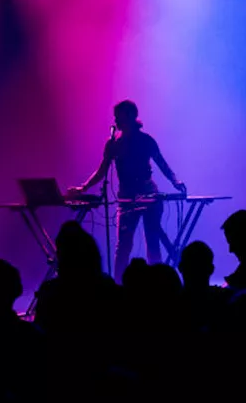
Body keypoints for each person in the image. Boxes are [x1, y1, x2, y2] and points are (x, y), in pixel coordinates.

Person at [70, 100, 185, 280]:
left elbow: (162, 164)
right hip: (126, 199)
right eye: (115, 115)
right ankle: (118, 286)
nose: (115, 118)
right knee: (123, 245)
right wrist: (84, 187)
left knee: (152, 242)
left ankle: (158, 287)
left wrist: (176, 181)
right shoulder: (113, 143)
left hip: (149, 196)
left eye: (119, 115)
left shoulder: (146, 140)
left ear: (131, 116)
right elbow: (102, 171)